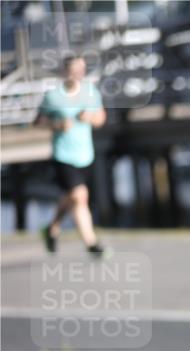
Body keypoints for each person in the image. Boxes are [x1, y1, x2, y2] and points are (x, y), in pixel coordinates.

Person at [34, 55, 108, 257]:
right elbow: (38, 121)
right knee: (80, 196)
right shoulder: (53, 96)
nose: (78, 74)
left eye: (82, 70)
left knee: (71, 198)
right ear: (64, 72)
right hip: (62, 154)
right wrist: (57, 125)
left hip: (85, 154)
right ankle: (92, 244)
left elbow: (101, 118)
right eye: (74, 70)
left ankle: (51, 229)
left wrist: (91, 118)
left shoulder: (91, 93)